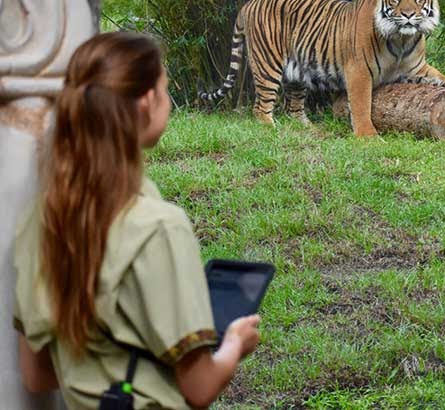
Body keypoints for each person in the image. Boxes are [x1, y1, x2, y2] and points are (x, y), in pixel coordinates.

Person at [13, 32, 261, 409]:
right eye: (165, 88)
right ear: (147, 100)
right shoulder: (160, 227)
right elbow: (199, 388)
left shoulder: (42, 218)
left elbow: (38, 375)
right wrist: (233, 344)